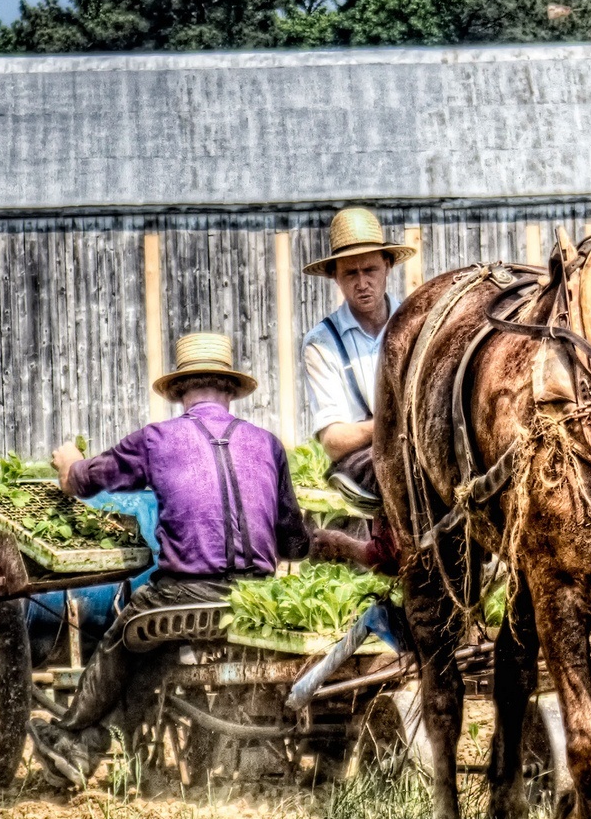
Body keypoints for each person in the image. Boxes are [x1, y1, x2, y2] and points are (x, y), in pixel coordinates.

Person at [38, 331, 318, 788]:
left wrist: (70, 463)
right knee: (149, 645)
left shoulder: (157, 440)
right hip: (260, 599)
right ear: (229, 390)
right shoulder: (268, 445)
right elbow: (294, 544)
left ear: (179, 392)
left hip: (185, 595)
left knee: (122, 638)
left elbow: (85, 482)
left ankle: (73, 740)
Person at [301, 207, 414, 503]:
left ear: (387, 265)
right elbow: (335, 441)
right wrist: (394, 424)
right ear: (335, 277)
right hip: (365, 462)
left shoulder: (415, 323)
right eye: (350, 273)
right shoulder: (322, 343)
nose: (362, 283)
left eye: (370, 270)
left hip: (420, 447)